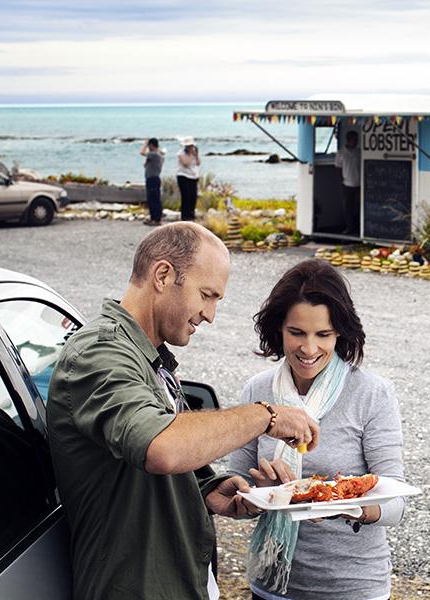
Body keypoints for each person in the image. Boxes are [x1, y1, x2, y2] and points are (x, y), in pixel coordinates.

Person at [47, 222, 320, 600]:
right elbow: (161, 446)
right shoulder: (100, 354)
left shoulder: (148, 357)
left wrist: (207, 489)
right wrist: (266, 416)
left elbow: (138, 461)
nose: (210, 314)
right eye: (206, 295)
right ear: (163, 275)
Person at [229, 258, 406, 600]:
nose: (308, 349)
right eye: (296, 333)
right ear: (277, 328)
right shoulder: (256, 392)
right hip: (273, 585)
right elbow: (237, 491)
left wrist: (346, 504)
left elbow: (396, 503)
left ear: (340, 332)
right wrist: (261, 495)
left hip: (352, 587)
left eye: (323, 334)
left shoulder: (372, 393)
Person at [334, 130, 361, 236]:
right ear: (349, 140)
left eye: (357, 140)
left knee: (359, 206)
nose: (356, 142)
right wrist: (342, 180)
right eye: (354, 140)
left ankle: (359, 227)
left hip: (360, 183)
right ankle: (349, 227)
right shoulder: (341, 153)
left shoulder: (359, 152)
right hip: (347, 183)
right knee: (348, 207)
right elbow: (338, 168)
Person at [140, 137, 165, 226]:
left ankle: (156, 218)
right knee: (153, 199)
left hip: (152, 178)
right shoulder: (159, 154)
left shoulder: (154, 154)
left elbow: (142, 152)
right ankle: (154, 217)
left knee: (153, 199)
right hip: (153, 177)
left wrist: (145, 144)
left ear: (151, 145)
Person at [177, 136, 201, 221]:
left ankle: (191, 214)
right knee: (186, 197)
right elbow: (186, 163)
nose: (191, 148)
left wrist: (196, 154)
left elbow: (198, 163)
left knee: (193, 197)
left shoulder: (194, 153)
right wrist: (191, 154)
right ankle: (185, 216)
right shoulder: (181, 153)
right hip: (183, 176)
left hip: (193, 176)